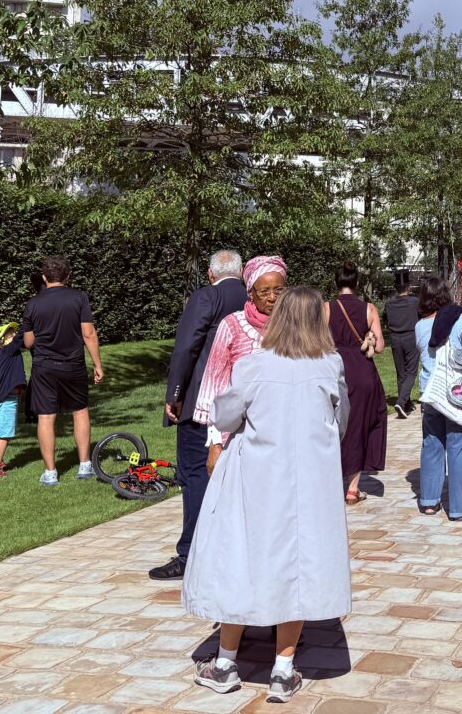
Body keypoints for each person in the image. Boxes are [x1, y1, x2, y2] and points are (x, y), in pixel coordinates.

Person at [184, 286, 351, 705]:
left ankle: (225, 662)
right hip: (310, 482)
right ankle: (282, 670)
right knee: (297, 562)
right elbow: (341, 421)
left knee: (243, 556)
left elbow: (225, 415)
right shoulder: (330, 365)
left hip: (256, 477)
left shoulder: (254, 365)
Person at [152, 249, 246, 580]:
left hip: (204, 402)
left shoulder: (207, 297)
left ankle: (191, 552)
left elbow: (186, 346)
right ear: (243, 270)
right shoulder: (254, 298)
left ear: (210, 273)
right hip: (244, 402)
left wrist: (174, 394)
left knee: (194, 474)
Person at [192, 256, 288, 474]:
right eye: (264, 292)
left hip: (285, 432)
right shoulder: (233, 325)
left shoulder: (294, 325)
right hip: (240, 434)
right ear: (251, 293)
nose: (272, 298)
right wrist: (215, 443)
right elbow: (214, 385)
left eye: (278, 290)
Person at [22, 256, 103, 487]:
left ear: (44, 277)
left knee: (46, 417)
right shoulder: (79, 297)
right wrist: (97, 364)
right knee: (80, 411)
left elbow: (28, 342)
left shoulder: (33, 304)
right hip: (73, 365)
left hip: (44, 367)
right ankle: (85, 465)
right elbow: (88, 333)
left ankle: (50, 472)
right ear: (68, 276)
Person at [415, 274, 462, 522]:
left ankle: (428, 500)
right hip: (456, 394)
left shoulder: (420, 326)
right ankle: (459, 508)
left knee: (432, 445)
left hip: (430, 393)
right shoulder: (456, 320)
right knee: (458, 447)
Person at [330, 263, 387, 505]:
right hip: (363, 370)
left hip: (334, 368)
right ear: (356, 283)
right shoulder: (369, 309)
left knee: (333, 424)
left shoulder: (325, 308)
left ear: (336, 282)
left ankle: (331, 479)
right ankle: (353, 487)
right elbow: (381, 347)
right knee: (362, 423)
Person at [0, 322, 27, 477]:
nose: (15, 335)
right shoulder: (7, 352)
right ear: (0, 342)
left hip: (2, 400)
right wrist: (27, 321)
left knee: (0, 434)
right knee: (5, 435)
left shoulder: (2, 357)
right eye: (10, 334)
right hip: (7, 400)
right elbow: (20, 339)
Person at [382, 270, 421, 419]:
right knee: (411, 372)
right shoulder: (414, 302)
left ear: (395, 287)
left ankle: (405, 403)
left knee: (401, 373)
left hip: (395, 338)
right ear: (409, 287)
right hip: (411, 336)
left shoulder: (389, 304)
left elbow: (385, 320)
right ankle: (401, 401)